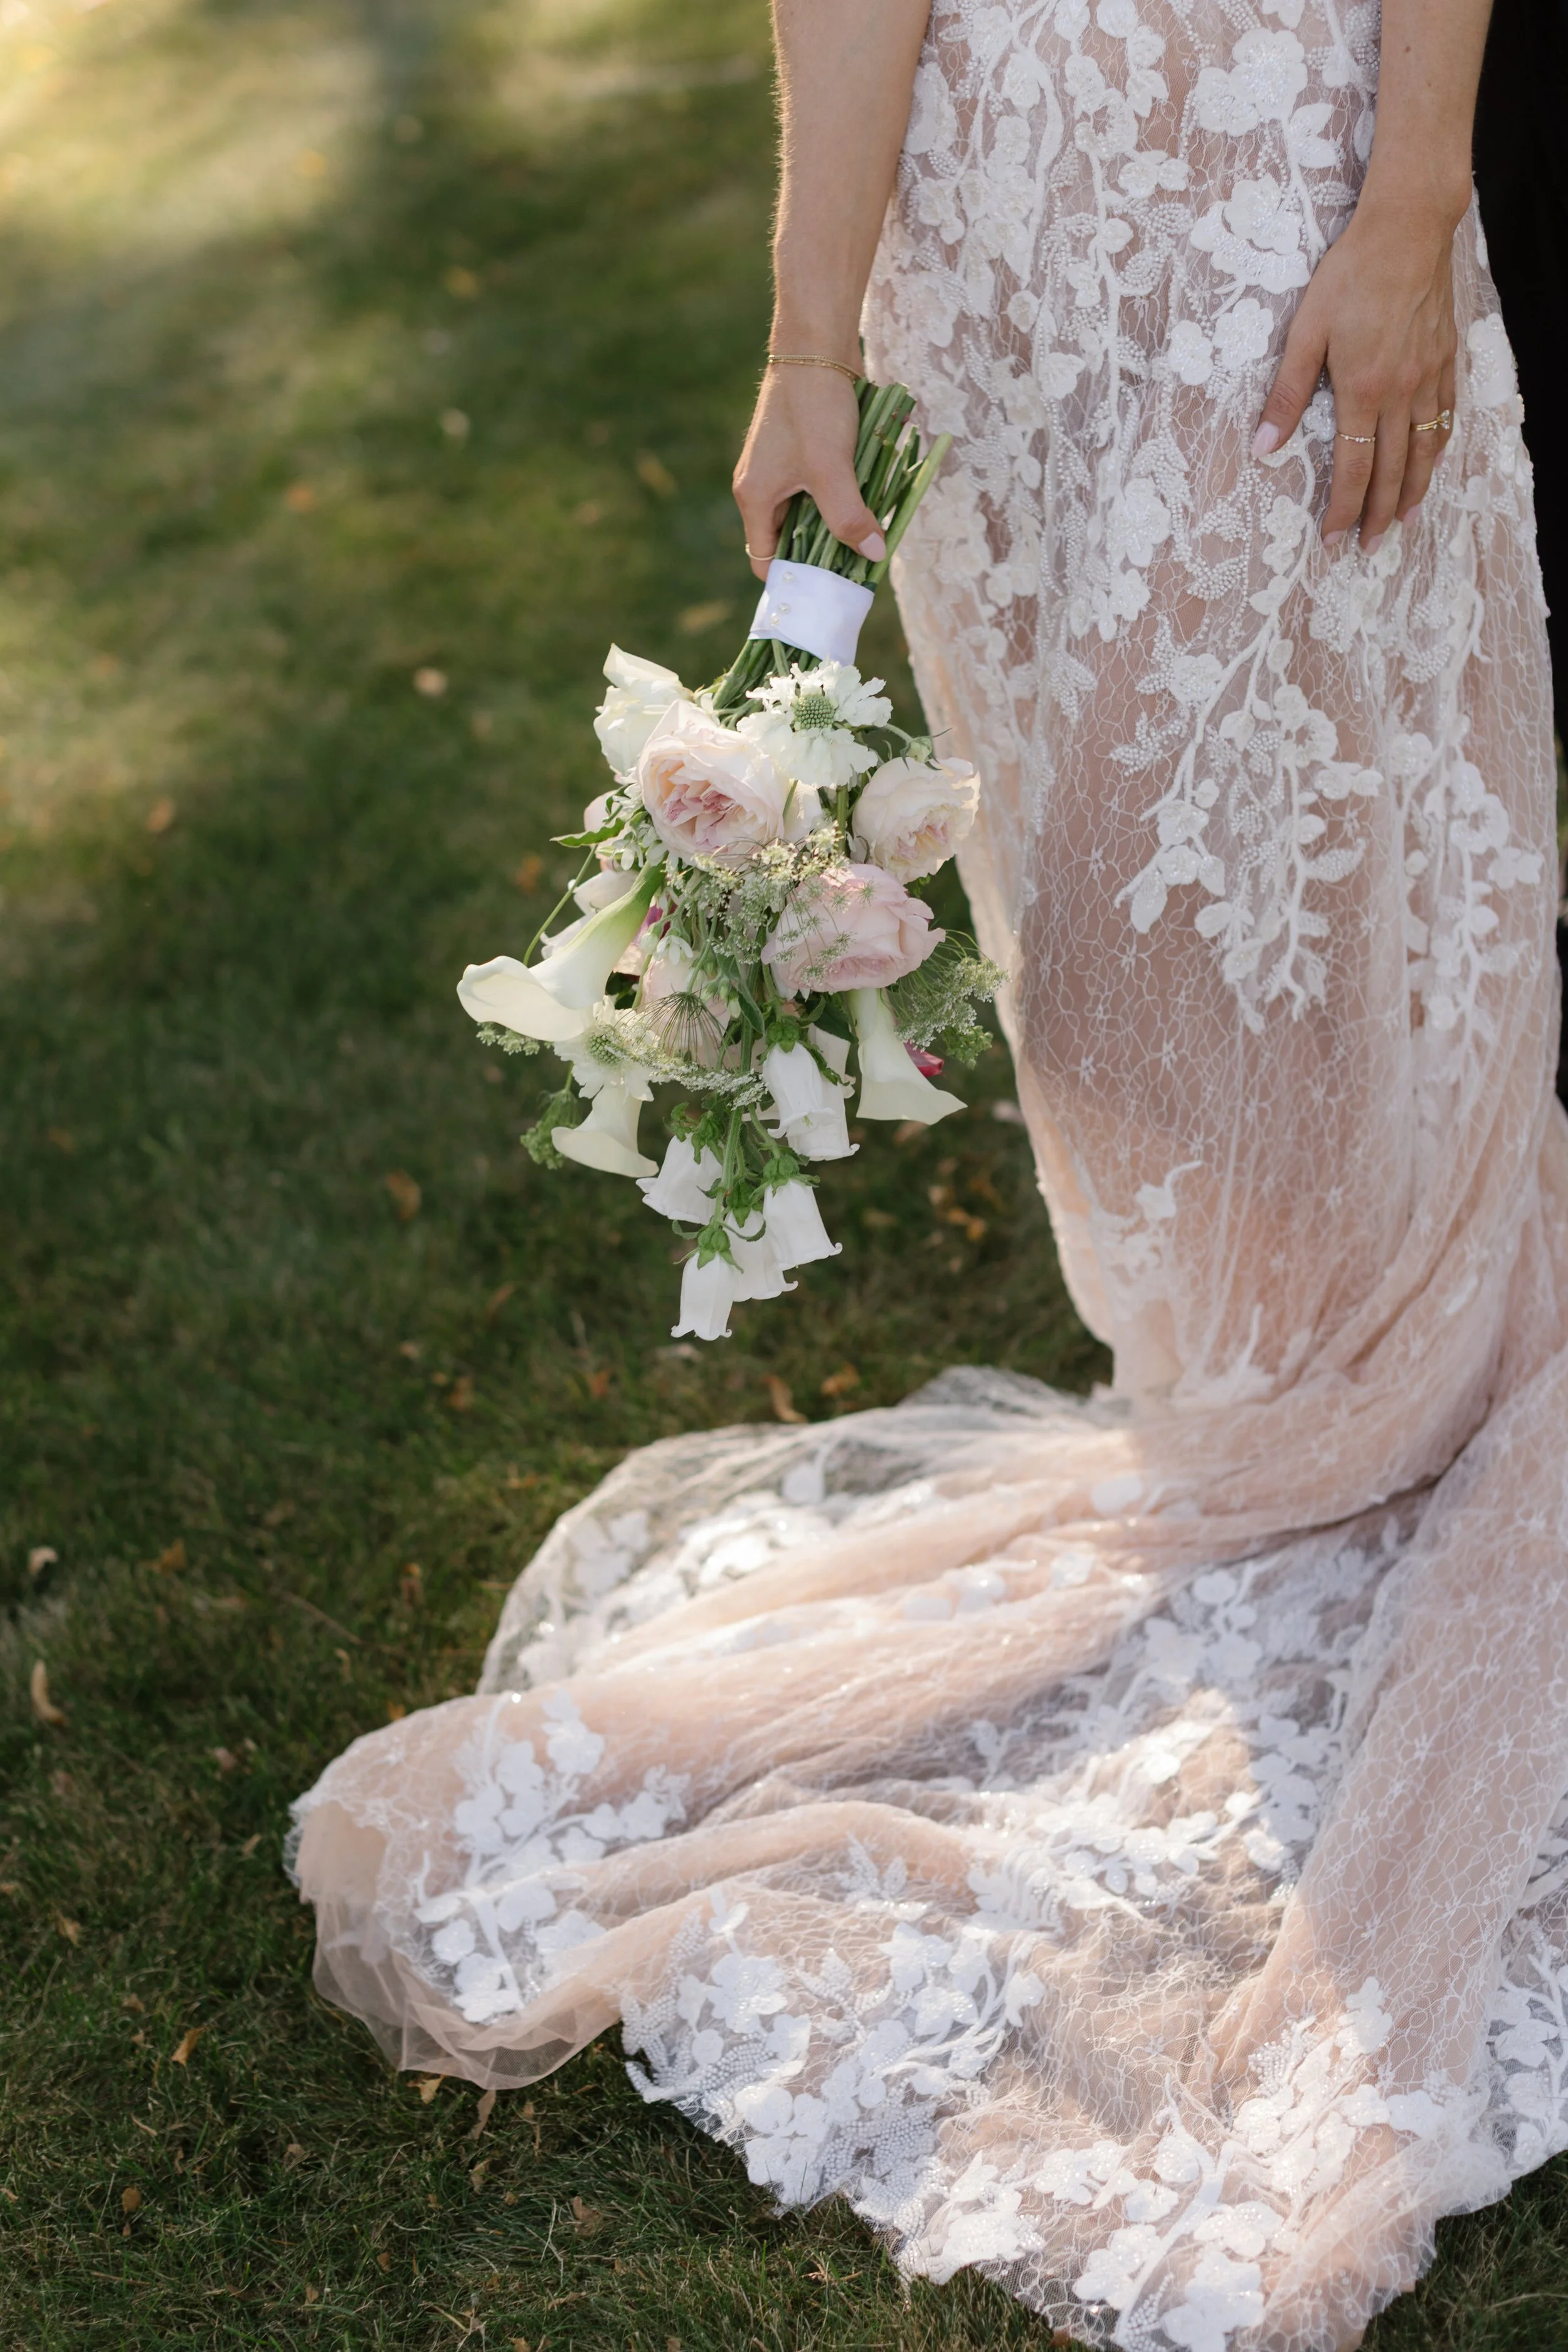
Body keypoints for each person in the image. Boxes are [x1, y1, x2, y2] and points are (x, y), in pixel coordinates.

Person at [290, 3, 1568, 2344]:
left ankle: (1383, 1390)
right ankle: (1252, 1421)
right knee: (1105, 955)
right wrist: (808, 337)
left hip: (1277, 196)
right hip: (990, 269)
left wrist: (1406, 207)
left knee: (1327, 860)